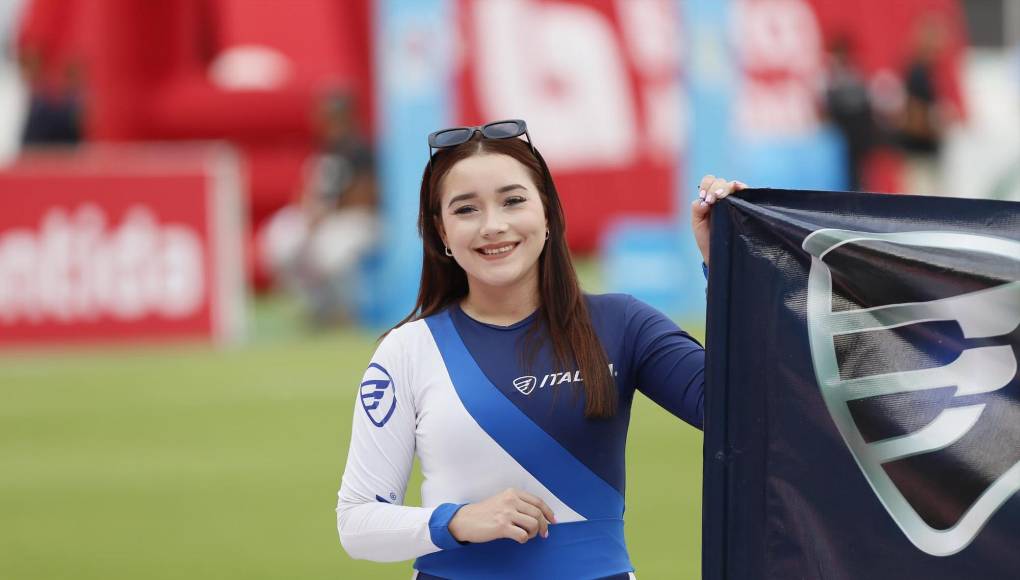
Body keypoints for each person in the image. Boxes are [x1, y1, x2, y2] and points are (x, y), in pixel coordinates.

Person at [335, 119, 742, 578]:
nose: (494, 225)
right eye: (466, 209)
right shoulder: (407, 350)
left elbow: (743, 414)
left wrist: (729, 266)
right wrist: (457, 520)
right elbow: (357, 521)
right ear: (441, 231)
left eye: (513, 201)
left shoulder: (623, 324)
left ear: (546, 211)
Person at [261, 91, 378, 326]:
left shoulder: (360, 149)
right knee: (281, 242)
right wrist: (309, 212)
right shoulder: (324, 149)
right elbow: (308, 190)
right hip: (322, 218)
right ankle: (315, 307)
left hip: (355, 218)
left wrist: (326, 214)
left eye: (336, 115)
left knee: (329, 252)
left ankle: (346, 313)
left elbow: (368, 195)